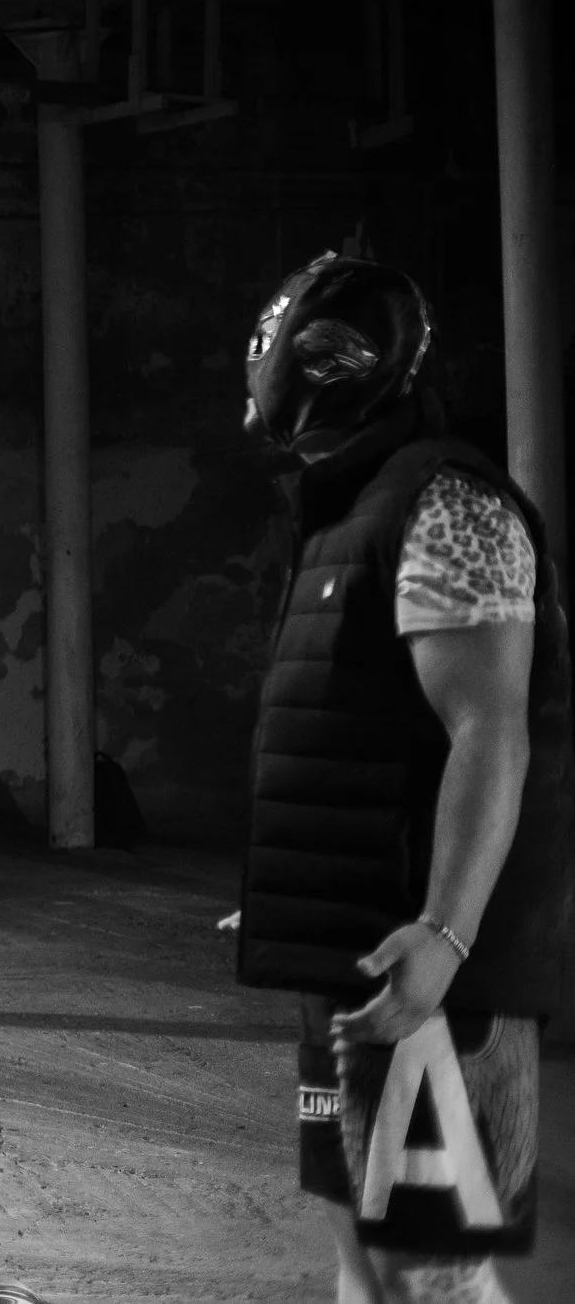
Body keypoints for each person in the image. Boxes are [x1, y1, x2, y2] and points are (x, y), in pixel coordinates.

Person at [233, 254, 571, 1303]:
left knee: (431, 1272)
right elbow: (351, 730)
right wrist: (291, 898)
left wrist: (446, 935)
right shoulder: (351, 505)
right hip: (355, 963)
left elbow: (489, 733)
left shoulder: (445, 502)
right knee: (363, 1255)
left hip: (432, 979)